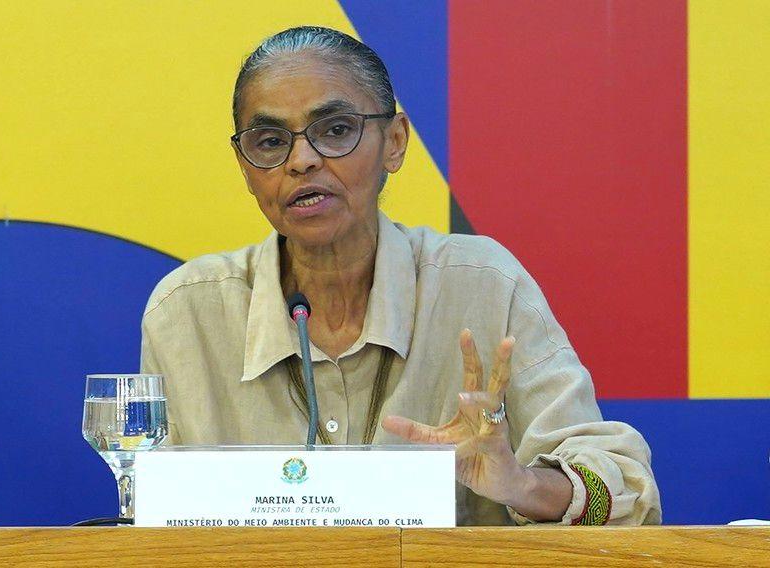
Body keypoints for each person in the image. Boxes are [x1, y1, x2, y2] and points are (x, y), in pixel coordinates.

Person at [140, 26, 661, 526]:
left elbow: (626, 490)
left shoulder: (480, 285)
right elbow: (153, 519)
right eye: (271, 141)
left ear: (395, 142)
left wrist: (519, 484)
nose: (301, 161)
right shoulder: (187, 314)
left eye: (335, 130)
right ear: (244, 165)